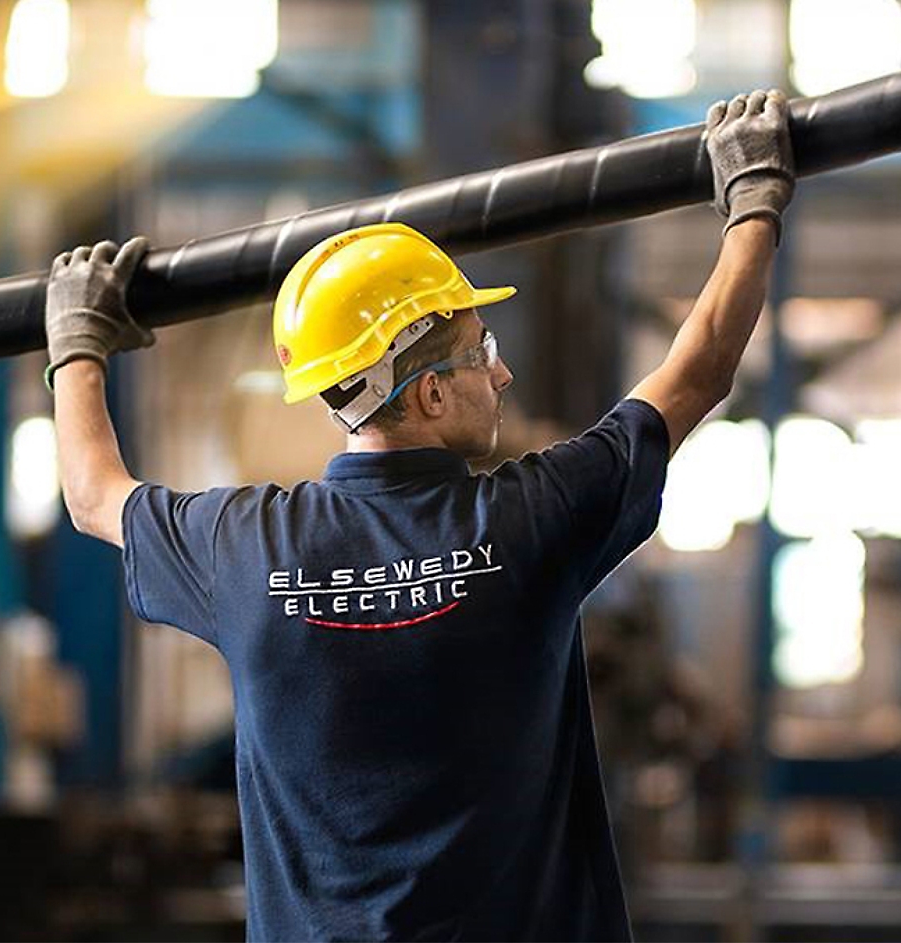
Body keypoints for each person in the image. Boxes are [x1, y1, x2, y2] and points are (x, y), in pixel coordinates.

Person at [46, 89, 794, 941]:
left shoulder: (242, 547)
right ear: (431, 391)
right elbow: (697, 373)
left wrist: (78, 339)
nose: (500, 375)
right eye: (484, 351)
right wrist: (754, 200)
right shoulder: (531, 521)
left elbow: (92, 492)